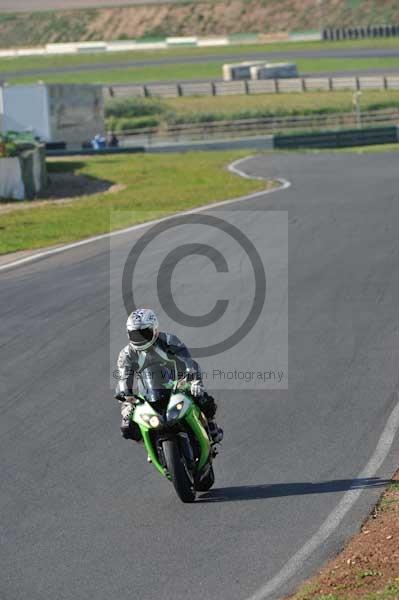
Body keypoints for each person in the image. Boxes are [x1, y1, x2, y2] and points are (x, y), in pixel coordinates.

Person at [114, 308, 223, 444]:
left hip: (176, 382)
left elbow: (186, 359)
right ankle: (147, 444)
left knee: (201, 397)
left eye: (144, 333)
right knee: (127, 426)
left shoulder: (168, 340)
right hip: (147, 392)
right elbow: (124, 375)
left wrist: (192, 379)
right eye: (135, 334)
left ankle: (211, 424)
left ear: (154, 329)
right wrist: (125, 394)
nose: (140, 338)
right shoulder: (126, 354)